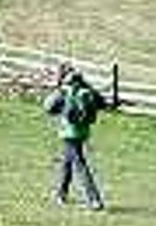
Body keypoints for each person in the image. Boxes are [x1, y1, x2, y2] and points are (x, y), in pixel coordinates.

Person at [44, 69, 106, 211]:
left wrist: (57, 93)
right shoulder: (87, 91)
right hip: (82, 132)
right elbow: (102, 103)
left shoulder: (64, 92)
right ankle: (61, 193)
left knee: (80, 165)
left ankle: (94, 199)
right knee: (67, 161)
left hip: (68, 132)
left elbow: (48, 107)